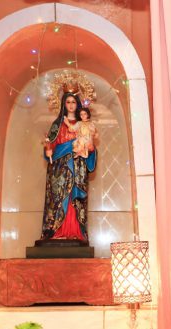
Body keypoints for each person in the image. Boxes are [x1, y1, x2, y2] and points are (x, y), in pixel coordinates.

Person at [41, 92, 97, 241]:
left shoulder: (83, 124)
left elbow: (90, 144)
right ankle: (56, 231)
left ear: (78, 104)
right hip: (60, 167)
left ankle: (76, 232)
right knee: (59, 197)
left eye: (73, 102)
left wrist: (90, 149)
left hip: (78, 166)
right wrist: (48, 150)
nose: (71, 105)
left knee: (75, 198)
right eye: (68, 102)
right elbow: (49, 144)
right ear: (63, 104)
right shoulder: (57, 125)